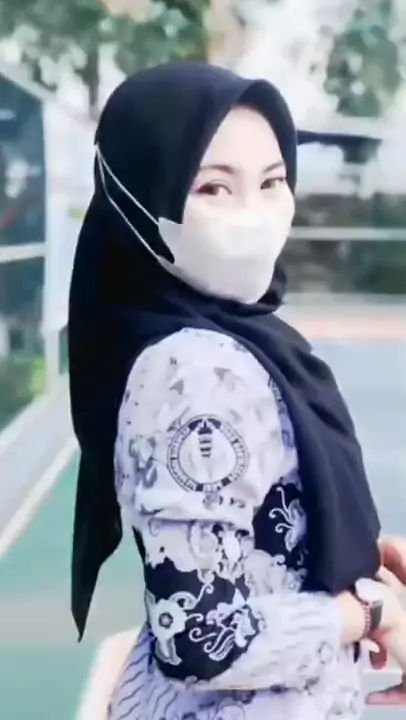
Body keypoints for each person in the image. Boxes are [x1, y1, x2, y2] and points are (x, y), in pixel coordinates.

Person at [68, 62, 406, 719]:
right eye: (213, 188)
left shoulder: (251, 342)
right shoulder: (193, 371)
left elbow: (257, 534)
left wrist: (357, 560)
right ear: (137, 200)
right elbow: (199, 636)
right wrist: (369, 613)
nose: (254, 213)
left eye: (273, 181)